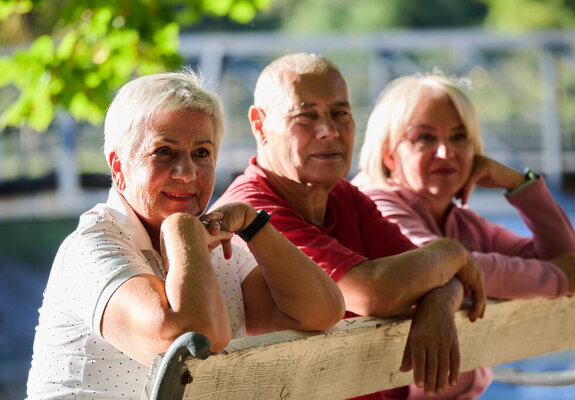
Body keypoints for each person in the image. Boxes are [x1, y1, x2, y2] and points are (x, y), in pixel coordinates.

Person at [26, 70, 345, 399]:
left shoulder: (212, 242)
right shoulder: (91, 246)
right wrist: (180, 229)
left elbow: (322, 311)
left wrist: (253, 225)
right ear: (119, 168)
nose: (187, 172)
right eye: (164, 151)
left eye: (202, 153)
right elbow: (188, 345)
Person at [211, 53, 487, 399]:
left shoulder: (344, 195)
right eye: (305, 116)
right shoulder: (252, 214)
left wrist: (441, 300)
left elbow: (431, 272)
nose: (328, 132)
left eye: (340, 114)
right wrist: (452, 250)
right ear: (260, 125)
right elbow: (373, 291)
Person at [352, 73, 575, 398]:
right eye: (424, 138)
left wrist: (517, 183)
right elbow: (440, 266)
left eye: (459, 137)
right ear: (389, 155)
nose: (445, 152)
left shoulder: (462, 222)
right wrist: (558, 279)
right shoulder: (373, 205)